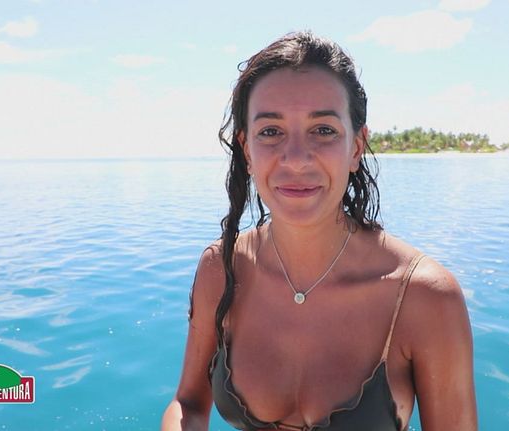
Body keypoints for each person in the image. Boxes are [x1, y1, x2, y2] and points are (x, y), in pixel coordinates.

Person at [161, 31, 477, 431]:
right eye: (270, 131)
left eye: (323, 130)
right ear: (246, 150)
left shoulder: (423, 297)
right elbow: (189, 403)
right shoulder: (221, 269)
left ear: (356, 148)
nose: (296, 159)